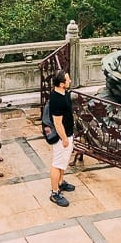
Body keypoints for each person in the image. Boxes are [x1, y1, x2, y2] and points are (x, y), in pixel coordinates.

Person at [48, 69, 75, 207]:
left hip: (69, 133)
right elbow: (58, 123)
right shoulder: (56, 100)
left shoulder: (64, 93)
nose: (70, 81)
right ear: (61, 84)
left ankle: (60, 182)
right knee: (57, 163)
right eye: (67, 79)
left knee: (63, 161)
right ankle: (54, 192)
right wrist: (64, 138)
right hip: (61, 137)